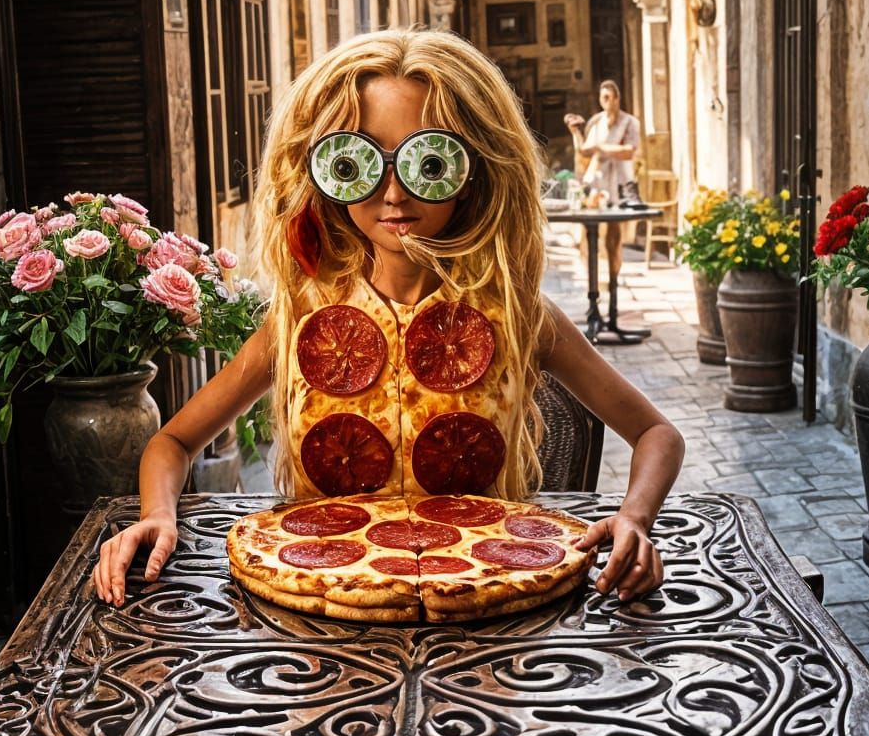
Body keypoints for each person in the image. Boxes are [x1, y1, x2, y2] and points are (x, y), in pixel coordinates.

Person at [94, 33, 683, 608]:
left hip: (486, 612)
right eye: (361, 163)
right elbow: (171, 442)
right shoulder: (300, 317)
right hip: (321, 613)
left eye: (429, 162)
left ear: (472, 170)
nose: (394, 193)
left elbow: (658, 434)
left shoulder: (518, 313)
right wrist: (157, 517)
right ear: (328, 173)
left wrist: (634, 519)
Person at [564, 79, 641, 288]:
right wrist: (575, 132)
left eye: (608, 97)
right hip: (596, 184)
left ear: (616, 98)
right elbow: (584, 151)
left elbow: (630, 150)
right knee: (588, 233)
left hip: (618, 184)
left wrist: (601, 148)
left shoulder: (629, 122)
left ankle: (614, 280)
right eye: (602, 97)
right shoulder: (596, 122)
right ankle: (593, 282)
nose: (604, 101)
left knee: (614, 236)